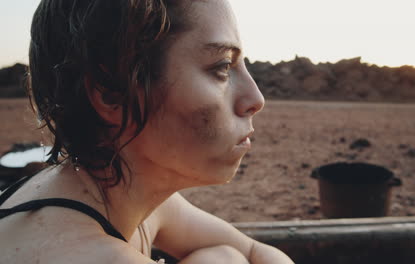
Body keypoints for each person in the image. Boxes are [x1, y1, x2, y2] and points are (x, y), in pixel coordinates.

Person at [0, 0, 295, 263]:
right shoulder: (84, 254)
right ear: (112, 94)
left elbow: (254, 251)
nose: (256, 99)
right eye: (222, 67)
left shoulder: (119, 193)